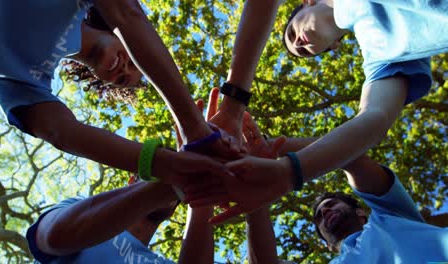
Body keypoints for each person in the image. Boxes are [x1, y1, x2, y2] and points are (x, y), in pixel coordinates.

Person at [185, 0, 448, 222]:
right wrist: (287, 170)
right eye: (302, 53)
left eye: (291, 34)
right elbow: (374, 120)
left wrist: (232, 107)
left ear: (307, 2)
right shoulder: (382, 56)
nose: (298, 46)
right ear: (333, 47)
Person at [0, 1, 241, 190]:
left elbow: (60, 132)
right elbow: (128, 15)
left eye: (123, 79)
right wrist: (194, 127)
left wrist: (168, 166)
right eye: (134, 60)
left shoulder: (29, 83)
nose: (123, 68)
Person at [238, 116, 448, 263]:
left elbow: (351, 158)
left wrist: (273, 147)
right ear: (328, 247)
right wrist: (254, 192)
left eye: (330, 205)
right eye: (319, 217)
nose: (325, 212)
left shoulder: (390, 216)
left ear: (361, 213)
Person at [26, 174, 214, 263]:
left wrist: (205, 182)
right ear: (132, 181)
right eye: (156, 171)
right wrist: (189, 175)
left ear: (173, 209)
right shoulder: (77, 208)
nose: (169, 174)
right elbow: (53, 236)